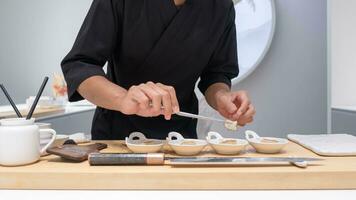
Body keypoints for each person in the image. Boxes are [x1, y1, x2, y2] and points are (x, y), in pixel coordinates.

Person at [61, 0, 256, 140]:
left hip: (180, 138)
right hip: (118, 136)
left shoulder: (221, 7)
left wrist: (221, 96)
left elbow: (216, 73)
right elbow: (80, 65)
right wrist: (123, 98)